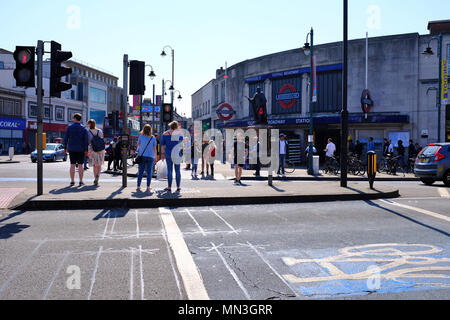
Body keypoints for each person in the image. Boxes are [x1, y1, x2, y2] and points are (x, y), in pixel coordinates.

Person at [63, 113, 88, 186]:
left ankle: (72, 181)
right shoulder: (83, 128)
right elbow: (86, 140)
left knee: (72, 165)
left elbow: (65, 138)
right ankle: (81, 181)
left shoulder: (69, 127)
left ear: (74, 118)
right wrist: (86, 150)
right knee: (80, 165)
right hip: (81, 149)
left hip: (72, 148)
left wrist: (65, 147)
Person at [161, 121, 184, 193]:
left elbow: (162, 145)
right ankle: (178, 186)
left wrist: (162, 154)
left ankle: (169, 187)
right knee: (177, 170)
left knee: (169, 170)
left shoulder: (165, 134)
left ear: (170, 126)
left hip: (168, 153)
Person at [136, 124, 157, 192]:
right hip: (151, 156)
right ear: (150, 130)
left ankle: (138, 186)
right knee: (149, 172)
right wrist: (156, 156)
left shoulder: (141, 137)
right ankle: (148, 186)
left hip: (142, 156)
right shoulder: (153, 138)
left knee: (141, 171)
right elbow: (155, 148)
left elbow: (138, 146)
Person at [86, 119, 105, 186]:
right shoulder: (99, 131)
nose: (87, 125)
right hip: (100, 150)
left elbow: (88, 141)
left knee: (94, 165)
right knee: (99, 165)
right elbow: (102, 139)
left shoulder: (88, 132)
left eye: (88, 124)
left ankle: (95, 178)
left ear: (90, 124)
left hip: (92, 149)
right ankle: (98, 176)